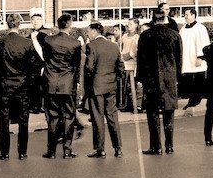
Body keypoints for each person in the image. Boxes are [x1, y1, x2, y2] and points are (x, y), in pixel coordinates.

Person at [0, 13, 41, 160]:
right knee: (23, 120)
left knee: (4, 120)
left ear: (8, 24)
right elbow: (35, 66)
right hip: (22, 85)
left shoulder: (0, 43)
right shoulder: (26, 43)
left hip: (5, 85)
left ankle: (5, 153)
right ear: (19, 25)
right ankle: (22, 152)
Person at [139, 9, 182, 155]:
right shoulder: (174, 35)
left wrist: (141, 79)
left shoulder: (145, 36)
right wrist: (177, 78)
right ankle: (169, 145)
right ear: (165, 19)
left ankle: (156, 146)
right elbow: (178, 59)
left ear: (153, 20)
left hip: (151, 80)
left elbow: (141, 60)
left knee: (153, 114)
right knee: (169, 113)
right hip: (169, 79)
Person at [42, 14, 83, 159]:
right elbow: (76, 65)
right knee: (69, 116)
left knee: (52, 116)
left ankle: (51, 151)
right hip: (68, 83)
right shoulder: (75, 43)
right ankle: (67, 150)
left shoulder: (48, 40)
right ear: (70, 25)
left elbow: (46, 59)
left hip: (51, 82)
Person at [83, 22, 124, 158]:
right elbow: (120, 67)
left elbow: (89, 67)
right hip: (110, 86)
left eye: (88, 31)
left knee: (98, 118)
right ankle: (117, 148)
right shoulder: (114, 46)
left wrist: (89, 84)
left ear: (95, 32)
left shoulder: (91, 46)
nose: (87, 34)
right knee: (112, 117)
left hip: (96, 86)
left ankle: (100, 149)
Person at [179, 8, 210, 109]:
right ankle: (191, 100)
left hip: (196, 59)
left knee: (198, 80)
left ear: (193, 15)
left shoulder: (200, 28)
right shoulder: (183, 28)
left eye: (187, 14)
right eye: (185, 15)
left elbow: (204, 43)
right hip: (187, 59)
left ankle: (195, 101)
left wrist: (200, 57)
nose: (185, 16)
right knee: (189, 81)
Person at [27, 8, 49, 115]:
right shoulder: (29, 36)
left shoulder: (46, 35)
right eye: (33, 20)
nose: (35, 22)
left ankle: (43, 106)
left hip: (44, 65)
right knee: (34, 87)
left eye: (38, 19)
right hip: (32, 66)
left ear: (42, 21)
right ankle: (35, 105)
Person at [120, 18, 141, 112]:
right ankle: (126, 105)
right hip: (124, 62)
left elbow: (136, 50)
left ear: (136, 25)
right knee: (125, 85)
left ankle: (135, 105)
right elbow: (120, 46)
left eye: (131, 24)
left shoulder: (137, 37)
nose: (129, 26)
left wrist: (128, 56)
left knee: (133, 85)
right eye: (128, 24)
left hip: (132, 63)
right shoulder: (124, 36)